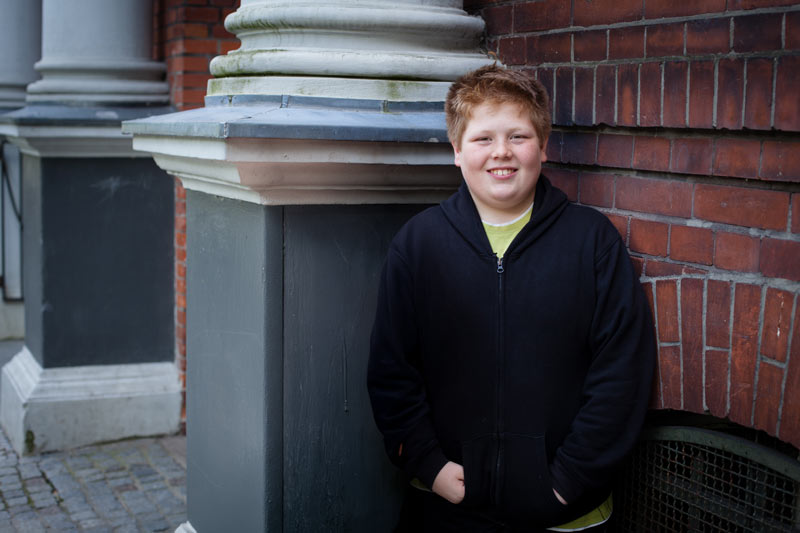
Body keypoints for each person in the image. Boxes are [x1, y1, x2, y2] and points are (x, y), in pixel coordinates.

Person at [367, 64, 656, 532]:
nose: (501, 152)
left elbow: (621, 374)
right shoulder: (418, 245)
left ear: (543, 146)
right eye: (483, 139)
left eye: (518, 136)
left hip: (566, 512)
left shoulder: (592, 242)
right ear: (457, 151)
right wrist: (431, 466)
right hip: (446, 506)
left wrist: (566, 481)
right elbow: (391, 371)